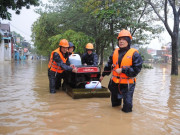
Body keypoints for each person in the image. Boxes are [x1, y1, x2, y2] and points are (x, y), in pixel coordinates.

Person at [99, 29, 143, 113]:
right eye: (120, 39)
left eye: (123, 39)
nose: (121, 41)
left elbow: (136, 70)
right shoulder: (114, 52)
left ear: (128, 41)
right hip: (114, 83)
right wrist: (103, 75)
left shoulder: (135, 54)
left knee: (127, 108)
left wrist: (123, 70)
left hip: (127, 85)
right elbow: (108, 65)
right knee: (115, 106)